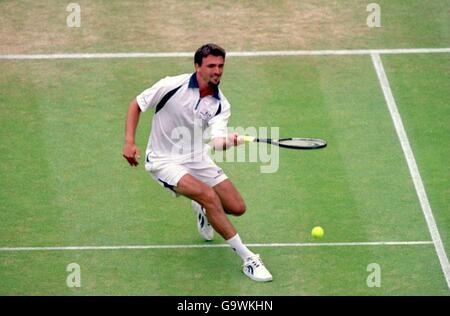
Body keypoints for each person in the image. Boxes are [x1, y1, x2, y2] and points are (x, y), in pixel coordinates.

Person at [122, 43, 272, 282]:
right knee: (209, 196)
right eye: (211, 65)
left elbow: (217, 142)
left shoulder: (221, 104)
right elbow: (136, 104)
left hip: (196, 157)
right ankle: (248, 259)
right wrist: (129, 141)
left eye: (221, 66)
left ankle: (203, 211)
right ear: (197, 67)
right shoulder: (171, 85)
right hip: (163, 160)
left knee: (236, 207)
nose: (217, 71)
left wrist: (231, 141)